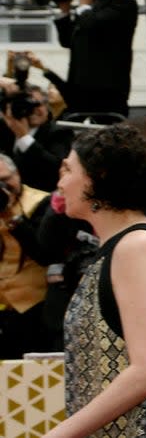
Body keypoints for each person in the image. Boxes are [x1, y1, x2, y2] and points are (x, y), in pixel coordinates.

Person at [49, 123, 146, 437]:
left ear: (98, 178)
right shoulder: (122, 245)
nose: (60, 183)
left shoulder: (137, 246)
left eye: (67, 170)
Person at [53, 0, 138, 118]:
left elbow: (92, 25)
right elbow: (68, 41)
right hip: (79, 90)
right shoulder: (92, 4)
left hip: (107, 92)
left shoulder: (124, 2)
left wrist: (84, 5)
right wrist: (64, 12)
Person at [0, 152, 52, 359]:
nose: (2, 188)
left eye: (5, 180)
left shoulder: (42, 202)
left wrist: (11, 216)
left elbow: (43, 253)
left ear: (18, 174)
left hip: (35, 307)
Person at [0, 65, 75, 192]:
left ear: (47, 107)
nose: (34, 110)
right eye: (28, 105)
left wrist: (25, 138)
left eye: (38, 104)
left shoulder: (60, 133)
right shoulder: (6, 128)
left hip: (42, 197)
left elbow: (57, 169)